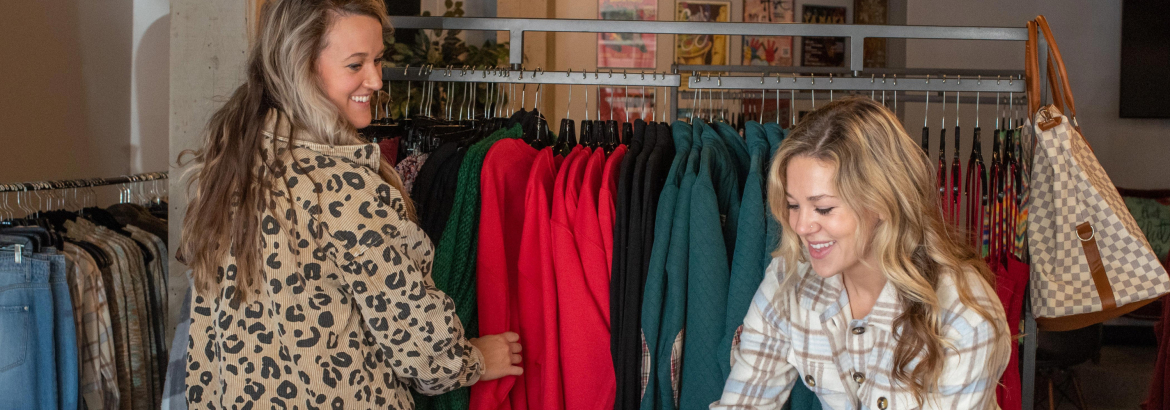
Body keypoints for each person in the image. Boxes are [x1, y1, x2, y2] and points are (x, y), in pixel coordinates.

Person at [176, 0, 522, 408]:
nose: (376, 80)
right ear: (299, 66)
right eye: (356, 65)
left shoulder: (230, 163)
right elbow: (424, 352)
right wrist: (476, 359)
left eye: (377, 60)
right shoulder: (340, 186)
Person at [712, 98, 1010, 409]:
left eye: (824, 208)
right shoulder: (790, 279)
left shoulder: (962, 317)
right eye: (793, 205)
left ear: (882, 202)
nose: (800, 226)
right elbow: (744, 401)